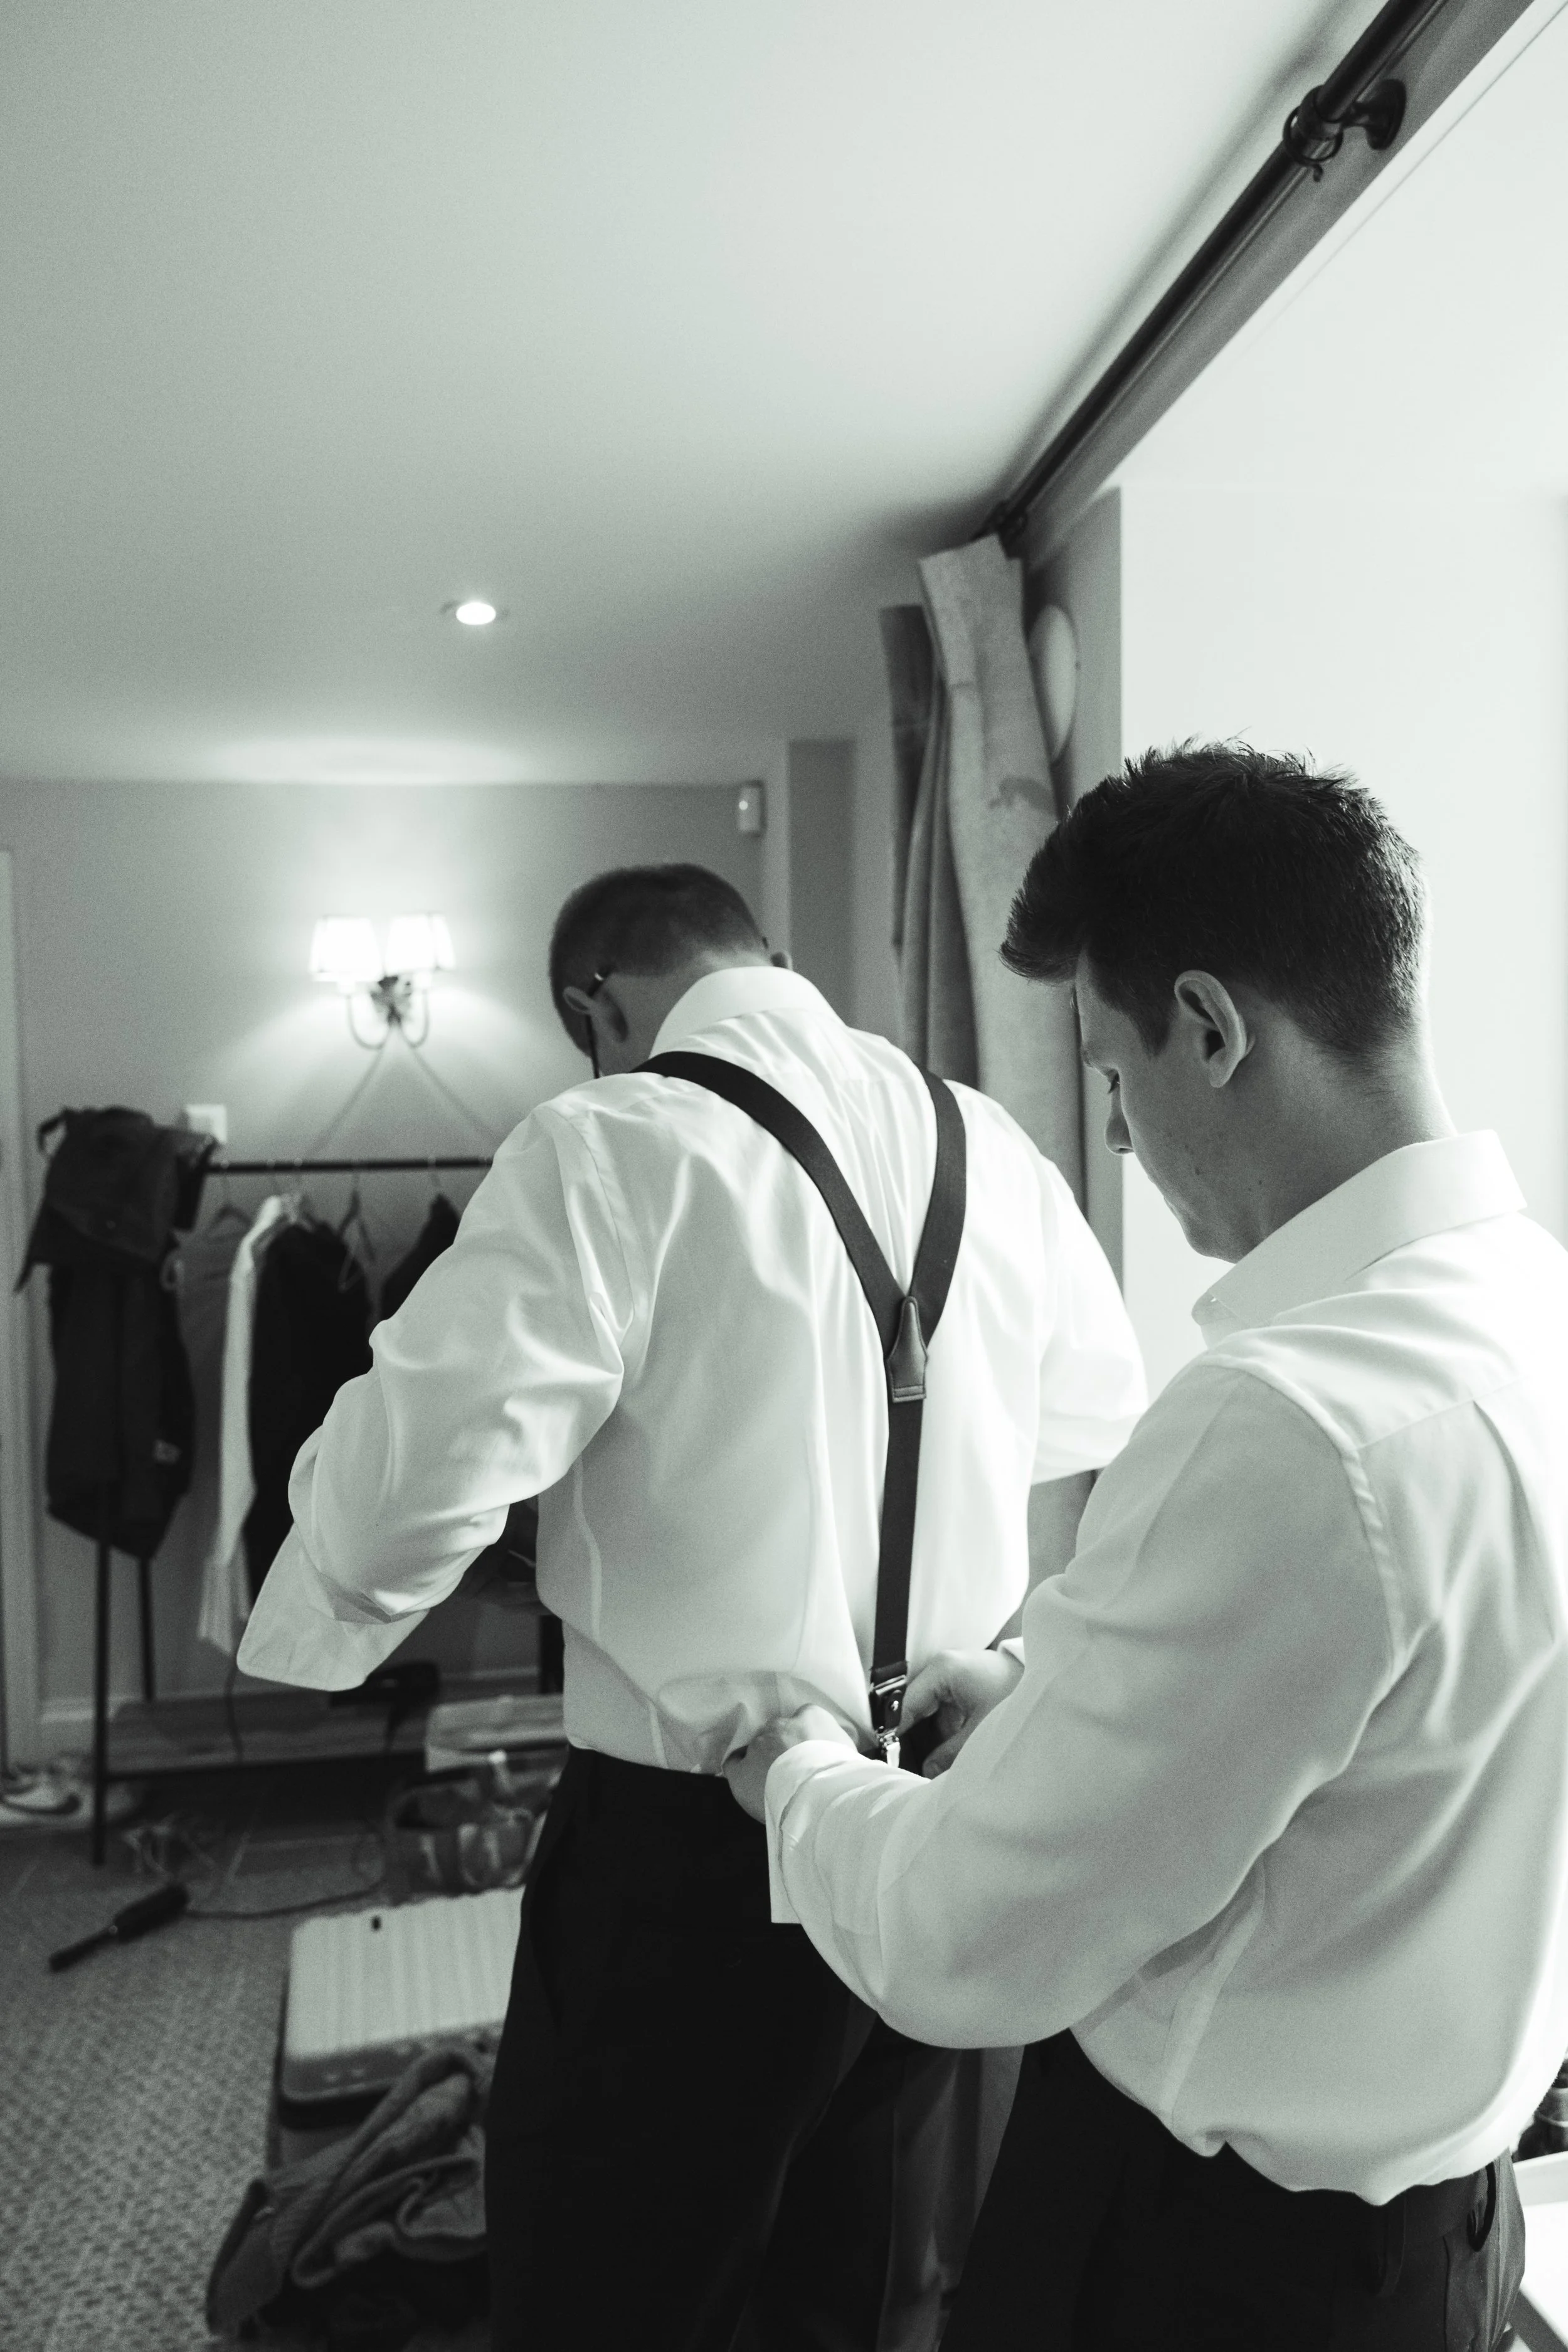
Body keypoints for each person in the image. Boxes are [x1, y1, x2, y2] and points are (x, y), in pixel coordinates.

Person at [236, 861, 1146, 2352]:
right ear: (769, 956)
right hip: (928, 1819)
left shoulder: (609, 1144)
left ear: (597, 1007)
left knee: (606, 2290)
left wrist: (323, 1611)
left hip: (688, 1854)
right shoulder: (984, 1142)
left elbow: (407, 1484)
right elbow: (1085, 1418)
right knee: (834, 2277)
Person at [728, 746, 1564, 2350]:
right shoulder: (1533, 1308)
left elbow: (967, 1937)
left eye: (1111, 1074)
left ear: (1209, 1026)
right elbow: (1406, 1692)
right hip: (1450, 2240)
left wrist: (786, 1776)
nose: (1113, 1135)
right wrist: (1050, 1679)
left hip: (1211, 2264)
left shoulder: (1288, 1421)